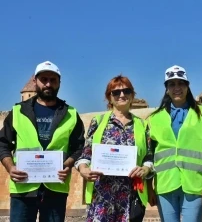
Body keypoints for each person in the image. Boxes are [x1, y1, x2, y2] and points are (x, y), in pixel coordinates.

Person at [0, 61, 85, 222]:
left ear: (59, 83)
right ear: (35, 82)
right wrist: (10, 167)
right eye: (44, 79)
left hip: (55, 187)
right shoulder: (18, 112)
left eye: (53, 80)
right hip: (23, 187)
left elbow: (79, 147)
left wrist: (67, 165)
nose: (48, 84)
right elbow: (2, 143)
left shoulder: (71, 114)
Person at [75, 75, 154, 222]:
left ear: (132, 95)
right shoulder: (98, 122)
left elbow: (149, 156)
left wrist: (145, 169)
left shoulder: (142, 125)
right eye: (116, 92)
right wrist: (83, 168)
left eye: (126, 91)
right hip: (101, 195)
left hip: (130, 195)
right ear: (109, 97)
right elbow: (86, 153)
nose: (122, 95)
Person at [146, 65, 202, 222]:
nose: (177, 88)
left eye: (181, 83)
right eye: (172, 84)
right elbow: (150, 154)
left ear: (187, 86)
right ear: (166, 88)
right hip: (165, 184)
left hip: (194, 184)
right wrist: (149, 186)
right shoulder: (154, 118)